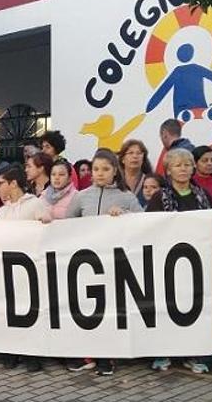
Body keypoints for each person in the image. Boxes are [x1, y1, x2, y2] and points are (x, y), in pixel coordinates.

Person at [65, 150, 141, 376]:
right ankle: (87, 355)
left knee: (109, 309)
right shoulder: (81, 196)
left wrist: (125, 215)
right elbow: (66, 225)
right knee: (86, 309)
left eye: (105, 169)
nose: (100, 173)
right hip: (86, 263)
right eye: (96, 169)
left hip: (114, 263)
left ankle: (107, 356)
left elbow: (145, 222)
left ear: (115, 171)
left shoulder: (126, 197)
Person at [146, 149, 212, 374]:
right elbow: (149, 228)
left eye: (187, 164)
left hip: (197, 263)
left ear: (193, 168)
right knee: (167, 306)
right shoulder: (159, 197)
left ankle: (193, 353)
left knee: (194, 307)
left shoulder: (203, 196)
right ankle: (163, 351)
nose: (183, 168)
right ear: (169, 170)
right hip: (167, 262)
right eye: (177, 165)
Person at [0, 164, 51, 372]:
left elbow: (48, 233)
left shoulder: (35, 205)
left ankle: (32, 353)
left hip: (31, 272)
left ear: (13, 183)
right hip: (7, 271)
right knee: (10, 311)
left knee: (32, 311)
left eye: (0, 183)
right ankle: (11, 350)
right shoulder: (0, 213)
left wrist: (46, 223)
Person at [118, 139, 153, 205]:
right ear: (123, 159)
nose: (135, 156)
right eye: (130, 153)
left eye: (139, 153)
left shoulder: (150, 181)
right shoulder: (116, 182)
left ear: (143, 159)